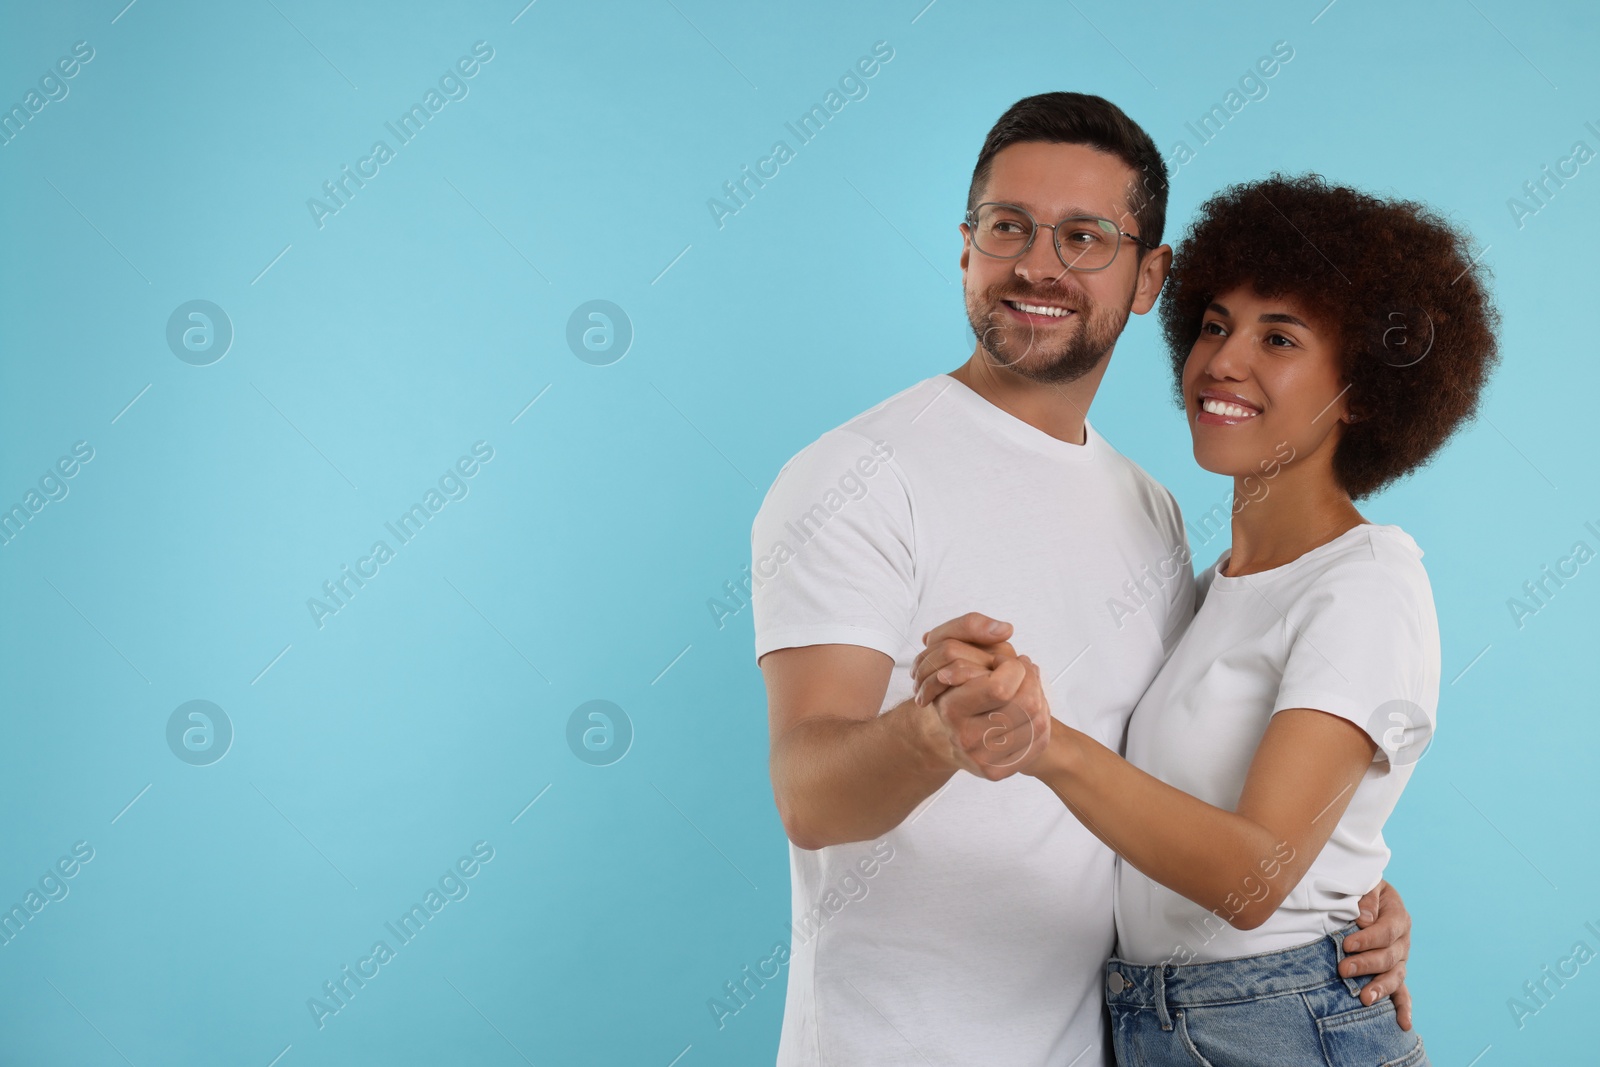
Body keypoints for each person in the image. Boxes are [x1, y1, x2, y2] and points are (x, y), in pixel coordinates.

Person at [752, 94, 1413, 1067]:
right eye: (1007, 226)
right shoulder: (855, 477)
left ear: (1149, 276)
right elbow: (808, 789)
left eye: (1084, 236)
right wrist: (935, 732)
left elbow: (1190, 779)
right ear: (965, 245)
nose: (1038, 264)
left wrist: (1347, 897)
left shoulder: (1149, 511)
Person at [911, 172, 1499, 1065]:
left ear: (1367, 388)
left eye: (1280, 337)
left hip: (1273, 1027)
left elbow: (1256, 877)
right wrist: (1362, 890)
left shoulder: (1367, 582)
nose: (1224, 360)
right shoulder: (1207, 584)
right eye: (1216, 324)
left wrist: (1045, 744)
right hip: (1165, 1021)